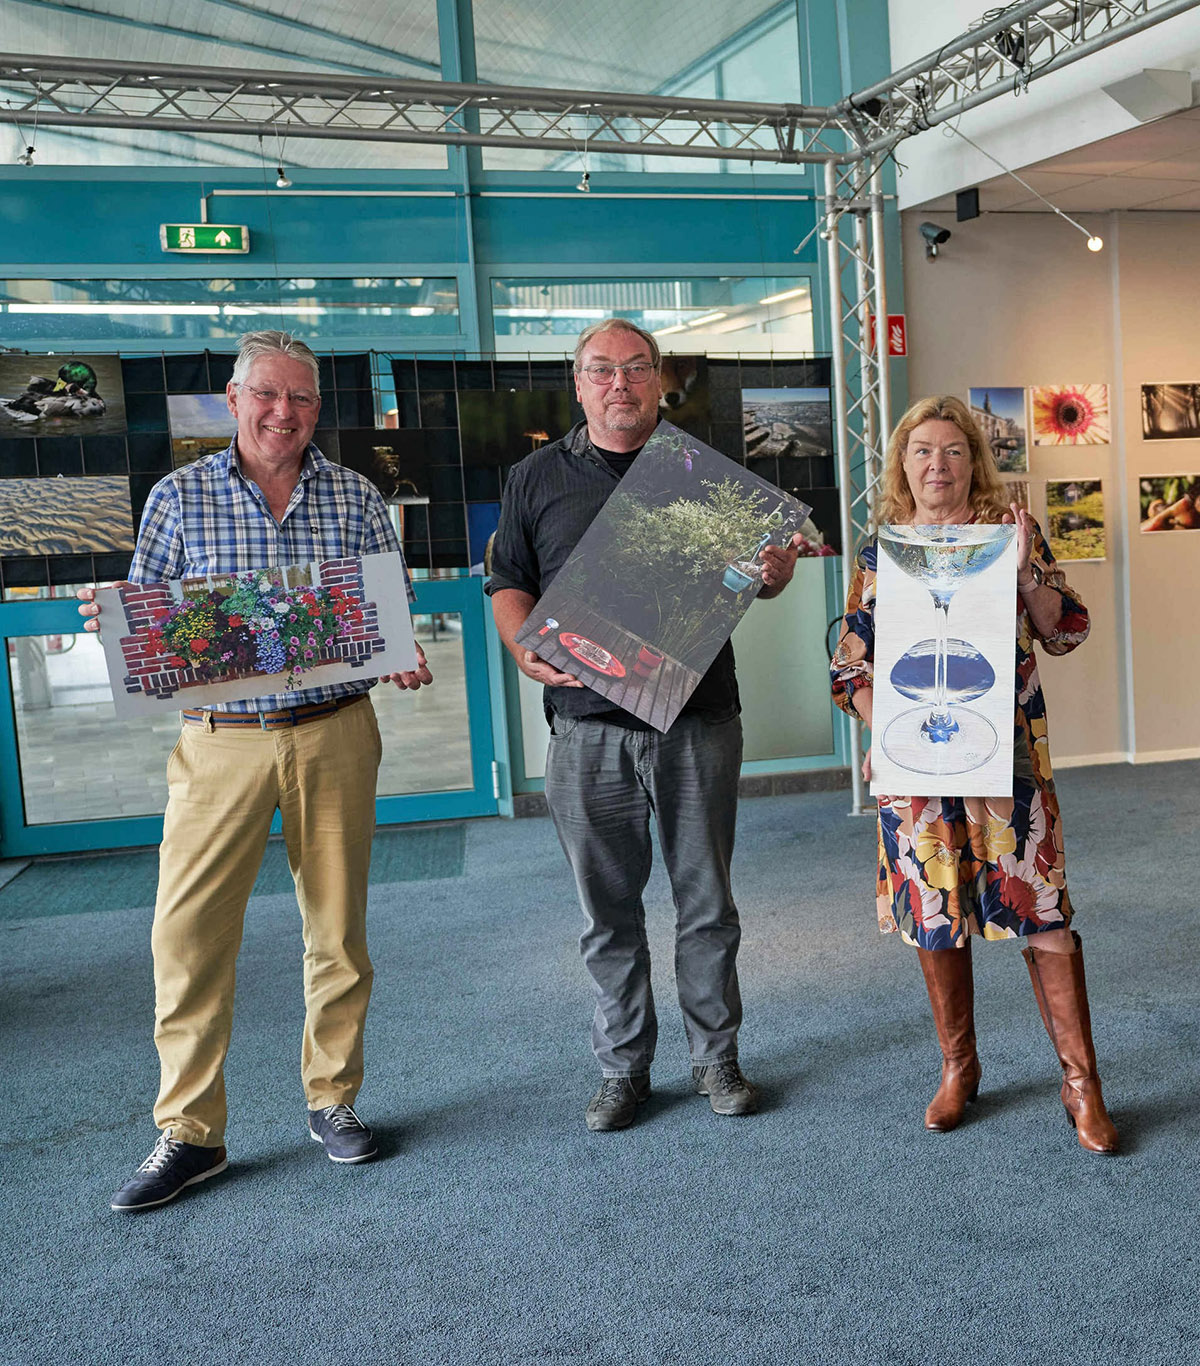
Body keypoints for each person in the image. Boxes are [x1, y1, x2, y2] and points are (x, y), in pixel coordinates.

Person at [78, 331, 433, 1210]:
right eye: (268, 396)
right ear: (234, 400)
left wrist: (394, 642)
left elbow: (390, 604)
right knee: (188, 938)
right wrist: (116, 625)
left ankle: (334, 1099)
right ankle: (190, 1134)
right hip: (219, 742)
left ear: (319, 407)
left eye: (303, 399)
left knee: (338, 930)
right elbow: (150, 613)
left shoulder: (354, 495)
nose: (285, 414)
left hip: (336, 730)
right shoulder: (179, 498)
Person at [487, 318, 801, 1132]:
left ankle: (715, 1059)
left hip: (696, 720)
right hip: (585, 728)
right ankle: (624, 1070)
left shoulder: (709, 476)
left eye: (635, 368)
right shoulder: (534, 476)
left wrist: (773, 574)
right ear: (578, 382)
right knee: (607, 913)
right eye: (602, 370)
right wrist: (525, 650)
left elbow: (756, 585)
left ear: (660, 379)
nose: (619, 383)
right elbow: (508, 583)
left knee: (706, 904)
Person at [830, 395, 1118, 1154]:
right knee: (935, 909)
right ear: (902, 463)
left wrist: (1026, 575)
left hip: (1008, 760)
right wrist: (877, 728)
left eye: (953, 450)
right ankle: (960, 1068)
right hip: (917, 763)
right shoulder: (879, 555)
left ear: (974, 462)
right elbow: (850, 667)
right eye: (922, 450)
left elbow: (1064, 631)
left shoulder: (1008, 536)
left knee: (1045, 909)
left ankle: (1081, 1083)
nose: (937, 464)